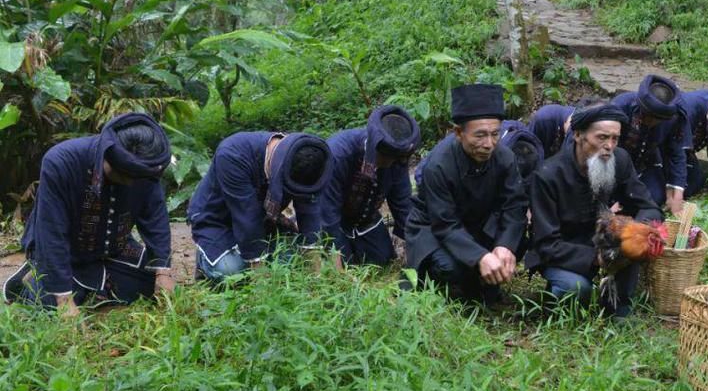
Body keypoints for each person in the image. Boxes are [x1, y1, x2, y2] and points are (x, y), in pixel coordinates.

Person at [3, 113, 174, 316]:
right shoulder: (61, 161)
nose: (130, 182)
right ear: (107, 157)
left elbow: (156, 218)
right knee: (47, 303)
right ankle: (32, 276)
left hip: (114, 249)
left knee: (151, 285)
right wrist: (64, 301)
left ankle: (95, 284)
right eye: (123, 175)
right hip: (67, 251)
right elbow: (52, 233)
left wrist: (163, 272)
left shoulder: (146, 167)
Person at [527, 103, 662, 319]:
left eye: (615, 139)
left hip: (603, 240)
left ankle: (618, 313)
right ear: (579, 135)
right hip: (563, 251)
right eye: (602, 137)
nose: (609, 146)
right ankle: (555, 302)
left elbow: (648, 206)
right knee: (576, 288)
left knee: (633, 241)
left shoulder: (621, 160)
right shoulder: (548, 175)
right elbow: (546, 244)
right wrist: (597, 258)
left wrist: (635, 232)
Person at [404, 84, 528, 304]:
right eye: (480, 135)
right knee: (449, 268)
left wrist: (504, 246)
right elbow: (445, 224)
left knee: (519, 242)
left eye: (495, 134)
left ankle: (483, 279)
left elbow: (514, 206)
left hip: (479, 223)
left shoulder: (505, 157)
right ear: (459, 133)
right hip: (435, 228)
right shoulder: (438, 165)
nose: (489, 144)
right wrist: (481, 256)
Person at [187, 131, 331, 282]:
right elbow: (247, 218)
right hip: (217, 220)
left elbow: (309, 209)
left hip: (261, 221)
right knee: (230, 270)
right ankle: (206, 260)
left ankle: (248, 257)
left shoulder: (306, 158)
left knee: (292, 261)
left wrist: (315, 274)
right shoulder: (233, 154)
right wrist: (260, 278)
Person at [321, 105, 421, 266]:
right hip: (332, 218)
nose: (390, 164)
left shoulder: (397, 160)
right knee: (346, 263)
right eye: (386, 158)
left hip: (364, 219)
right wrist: (336, 261)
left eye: (395, 160)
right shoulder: (338, 153)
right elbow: (327, 211)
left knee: (382, 260)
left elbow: (403, 206)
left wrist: (418, 250)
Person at [611, 74, 688, 215]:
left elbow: (676, 152)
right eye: (646, 116)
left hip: (644, 166)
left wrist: (677, 190)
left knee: (655, 198)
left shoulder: (671, 120)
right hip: (614, 167)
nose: (650, 122)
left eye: (655, 120)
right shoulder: (620, 107)